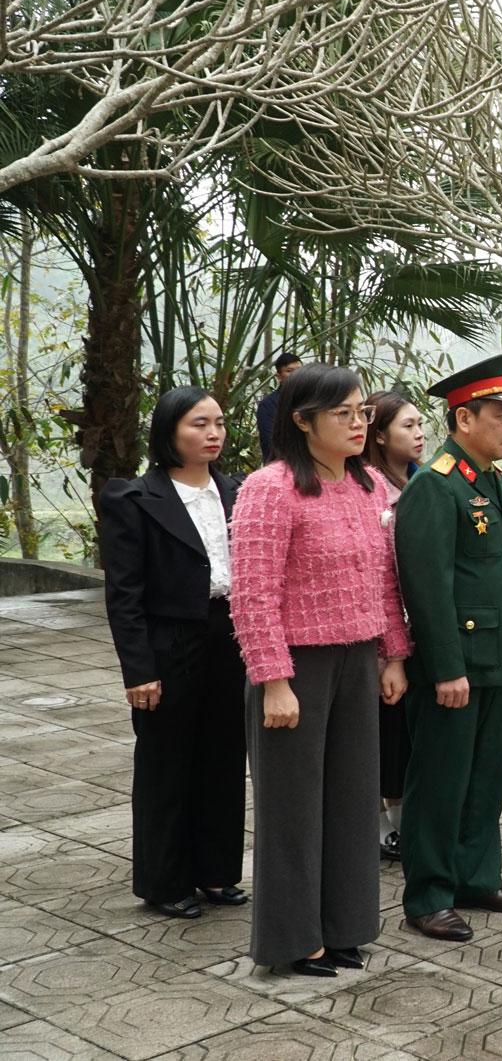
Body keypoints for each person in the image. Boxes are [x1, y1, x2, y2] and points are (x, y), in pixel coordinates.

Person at [230, 365, 411, 976]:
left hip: (359, 660)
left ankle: (344, 927)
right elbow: (252, 592)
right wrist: (273, 679)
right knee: (292, 808)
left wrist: (392, 654)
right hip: (295, 669)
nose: (360, 423)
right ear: (303, 420)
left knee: (354, 800)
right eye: (345, 414)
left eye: (363, 412)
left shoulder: (367, 486)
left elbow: (385, 580)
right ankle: (292, 938)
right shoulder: (269, 487)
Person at [395, 354, 502, 943]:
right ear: (463, 418)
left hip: (498, 659)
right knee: (440, 782)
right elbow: (427, 590)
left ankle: (476, 877)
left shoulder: (489, 480)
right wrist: (446, 668)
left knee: (486, 776)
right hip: (456, 666)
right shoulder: (435, 486)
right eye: (501, 416)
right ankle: (428, 895)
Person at [99, 388, 248, 921]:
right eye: (198, 424)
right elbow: (124, 594)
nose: (213, 434)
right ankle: (164, 880)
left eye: (219, 423)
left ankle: (216, 871)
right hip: (169, 639)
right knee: (166, 762)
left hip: (228, 635)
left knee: (224, 755)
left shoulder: (235, 491)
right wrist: (138, 669)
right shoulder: (135, 498)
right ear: (168, 431)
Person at [360, 390, 424, 860]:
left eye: (421, 424)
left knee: (407, 728)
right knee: (385, 730)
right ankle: (385, 822)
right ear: (379, 434)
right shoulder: (367, 487)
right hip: (382, 630)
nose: (419, 433)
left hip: (419, 623)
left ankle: (402, 817)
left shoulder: (424, 480)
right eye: (407, 425)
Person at [254, 352, 304, 463]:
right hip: (282, 466)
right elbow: (269, 443)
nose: (296, 375)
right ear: (279, 377)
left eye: (299, 371)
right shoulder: (268, 405)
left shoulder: (312, 400)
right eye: (289, 371)